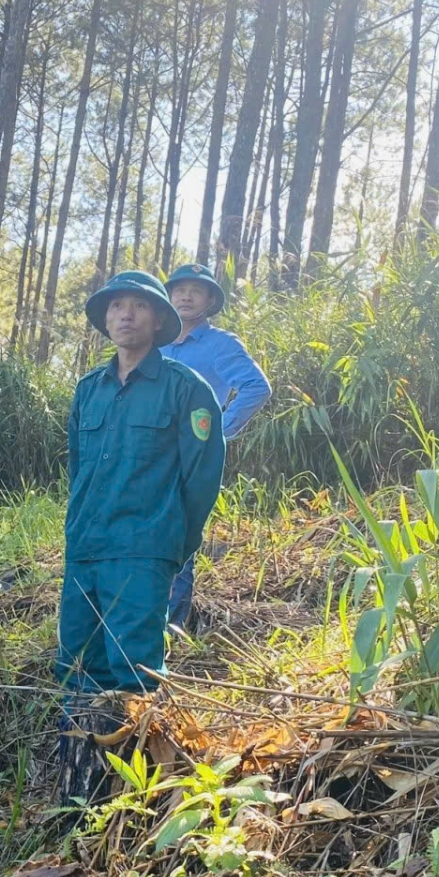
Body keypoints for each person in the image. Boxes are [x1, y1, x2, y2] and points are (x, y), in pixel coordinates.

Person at [59, 270, 225, 802]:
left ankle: (133, 800)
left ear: (158, 321)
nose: (124, 314)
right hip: (86, 550)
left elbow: (202, 477)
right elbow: (77, 468)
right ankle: (79, 795)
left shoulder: (185, 390)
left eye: (137, 306)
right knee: (77, 669)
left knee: (132, 672)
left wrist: (173, 546)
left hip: (144, 550)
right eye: (115, 307)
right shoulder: (89, 389)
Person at [160, 263, 271, 629]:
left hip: (189, 458)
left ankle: (171, 627)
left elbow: (256, 387)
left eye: (196, 290)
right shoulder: (155, 342)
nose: (186, 296)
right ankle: (135, 619)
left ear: (209, 300)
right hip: (146, 454)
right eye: (179, 289)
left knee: (180, 534)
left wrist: (214, 436)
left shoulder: (220, 345)